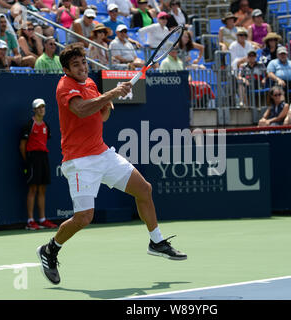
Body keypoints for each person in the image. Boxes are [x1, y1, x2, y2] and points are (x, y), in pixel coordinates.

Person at [36, 43, 187, 285]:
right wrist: (111, 94)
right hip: (79, 162)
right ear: (66, 69)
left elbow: (101, 115)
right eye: (76, 65)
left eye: (84, 62)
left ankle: (156, 241)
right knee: (84, 217)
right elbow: (81, 110)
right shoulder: (64, 86)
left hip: (103, 154)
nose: (82, 67)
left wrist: (106, 105)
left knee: (144, 189)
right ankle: (50, 249)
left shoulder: (91, 84)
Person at [20, 98, 57, 231]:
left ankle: (42, 219)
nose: (42, 109)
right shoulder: (29, 125)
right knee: (33, 189)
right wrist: (27, 161)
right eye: (39, 107)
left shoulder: (46, 125)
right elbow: (22, 145)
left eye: (43, 107)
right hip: (32, 158)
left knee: (42, 189)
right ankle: (30, 220)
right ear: (34, 110)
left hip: (43, 158)